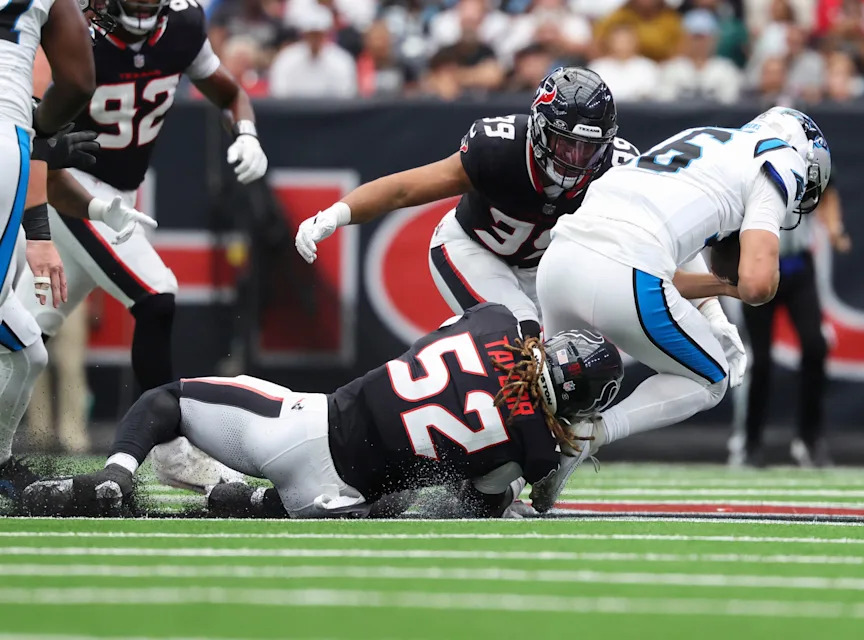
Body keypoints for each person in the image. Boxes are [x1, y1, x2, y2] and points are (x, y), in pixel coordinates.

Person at [23, 303, 625, 519]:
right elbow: (476, 501)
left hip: (305, 427)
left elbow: (442, 346)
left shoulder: (494, 320)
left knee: (167, 401)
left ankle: (113, 478)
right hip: (347, 499)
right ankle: (240, 501)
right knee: (400, 495)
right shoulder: (537, 448)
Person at [7, 0, 269, 492]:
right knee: (157, 295)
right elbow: (37, 135)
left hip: (119, 199)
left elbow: (230, 92)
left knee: (26, 334)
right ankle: (170, 452)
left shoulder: (185, 26)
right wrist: (44, 218)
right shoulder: (77, 31)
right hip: (74, 187)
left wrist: (248, 132)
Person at [531, 107, 832, 511]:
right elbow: (759, 284)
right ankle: (592, 436)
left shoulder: (706, 139)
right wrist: (748, 281)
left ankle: (495, 479)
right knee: (711, 380)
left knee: (553, 391)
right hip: (627, 266)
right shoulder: (782, 158)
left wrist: (714, 311)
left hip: (560, 260)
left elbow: (673, 275)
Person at [295, 67, 640, 341]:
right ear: (538, 128)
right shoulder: (499, 149)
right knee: (523, 334)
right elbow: (404, 189)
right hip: (473, 249)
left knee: (580, 363)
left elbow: (657, 238)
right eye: (565, 143)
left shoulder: (619, 170)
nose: (575, 158)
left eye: (587, 147)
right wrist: (336, 213)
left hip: (544, 273)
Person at [0, 0, 99, 496]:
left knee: (26, 352)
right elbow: (78, 80)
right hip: (6, 132)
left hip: (13, 136)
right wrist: (41, 133)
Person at [730, 181, 850, 468]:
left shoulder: (805, 154)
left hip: (797, 266)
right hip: (757, 268)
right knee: (759, 360)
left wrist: (833, 227)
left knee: (815, 346)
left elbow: (828, 187)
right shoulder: (748, 161)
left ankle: (809, 440)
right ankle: (749, 442)